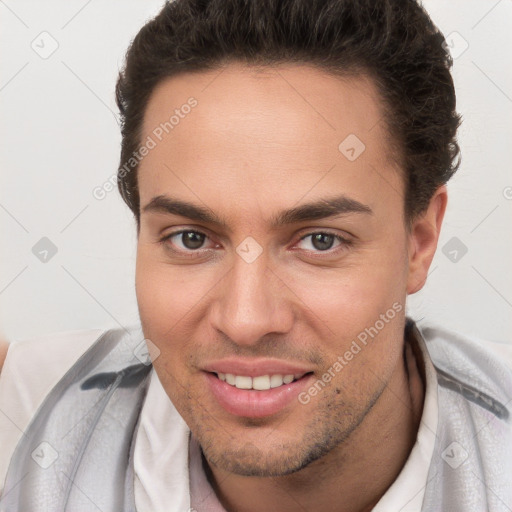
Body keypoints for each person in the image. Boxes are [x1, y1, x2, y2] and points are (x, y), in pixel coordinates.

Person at [0, 0, 511, 511]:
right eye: (191, 239)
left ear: (420, 241)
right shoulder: (24, 415)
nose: (245, 321)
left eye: (320, 241)